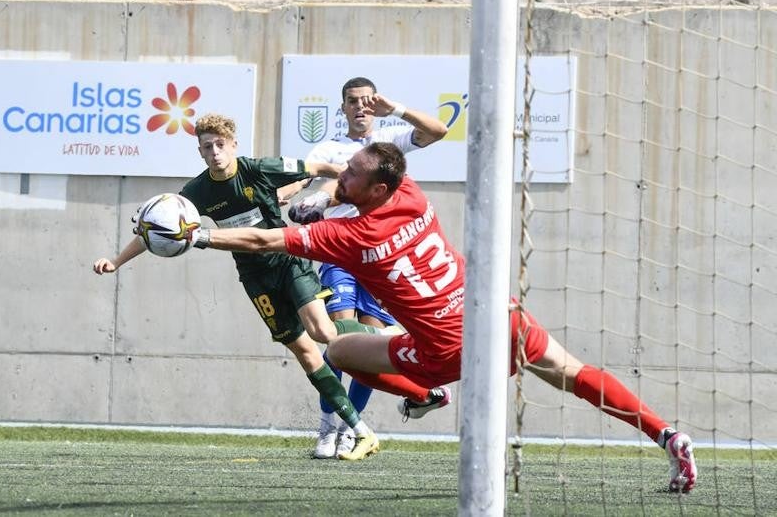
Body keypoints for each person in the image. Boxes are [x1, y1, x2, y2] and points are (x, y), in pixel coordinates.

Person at [187, 142, 699, 493]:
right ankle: (668, 436)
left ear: (378, 190)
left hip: (448, 350)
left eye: (351, 175)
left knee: (340, 349)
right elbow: (353, 185)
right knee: (574, 374)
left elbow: (261, 239)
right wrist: (325, 196)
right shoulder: (411, 194)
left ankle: (425, 393)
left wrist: (199, 235)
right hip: (500, 315)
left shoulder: (352, 238)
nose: (341, 176)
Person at [92, 113, 441, 461]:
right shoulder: (195, 192)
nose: (214, 152)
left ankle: (387, 339)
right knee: (306, 355)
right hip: (255, 277)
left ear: (233, 146)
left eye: (220, 145)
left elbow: (316, 167)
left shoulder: (258, 168)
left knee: (324, 332)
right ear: (200, 152)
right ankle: (358, 430)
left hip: (288, 259)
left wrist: (344, 192)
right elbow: (155, 232)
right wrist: (117, 261)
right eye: (207, 147)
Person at [292, 77, 448, 459]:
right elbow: (303, 183)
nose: (360, 107)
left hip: (384, 255)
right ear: (342, 108)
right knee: (339, 336)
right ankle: (328, 426)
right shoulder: (329, 148)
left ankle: (351, 428)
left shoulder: (390, 140)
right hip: (343, 249)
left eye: (367, 101)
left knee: (374, 343)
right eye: (352, 101)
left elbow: (439, 130)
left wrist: (394, 107)